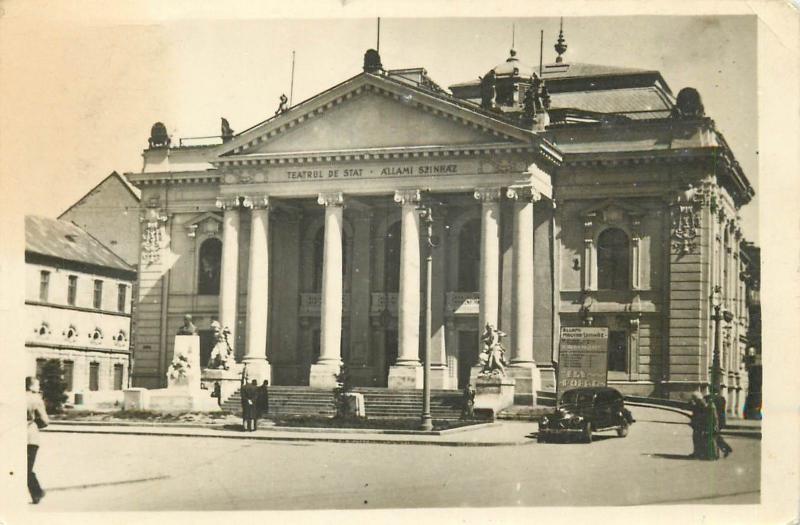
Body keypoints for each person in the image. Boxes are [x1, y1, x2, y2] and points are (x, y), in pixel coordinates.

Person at [26, 376, 49, 504]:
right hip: (30, 437)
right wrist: (38, 424)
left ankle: (37, 493)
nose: (39, 387)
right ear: (30, 386)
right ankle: (37, 492)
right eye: (37, 385)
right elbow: (45, 421)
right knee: (27, 468)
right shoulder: (35, 399)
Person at [706, 393, 733, 458]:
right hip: (721, 420)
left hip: (716, 421)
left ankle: (725, 449)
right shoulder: (722, 399)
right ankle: (724, 449)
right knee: (715, 435)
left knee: (714, 436)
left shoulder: (710, 398)